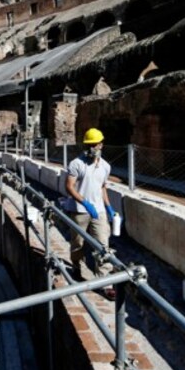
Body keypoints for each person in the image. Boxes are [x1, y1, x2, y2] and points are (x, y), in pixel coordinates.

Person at [62, 128, 117, 300]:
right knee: (78, 244)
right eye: (89, 144)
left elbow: (102, 188)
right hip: (79, 211)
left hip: (98, 211)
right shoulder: (77, 164)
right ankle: (77, 267)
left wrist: (108, 207)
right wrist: (84, 202)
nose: (93, 147)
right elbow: (69, 186)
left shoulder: (106, 166)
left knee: (103, 245)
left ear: (101, 144)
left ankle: (105, 283)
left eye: (95, 144)